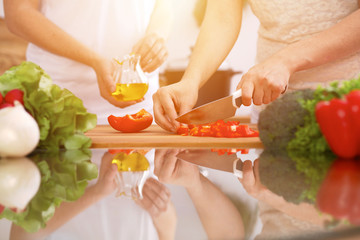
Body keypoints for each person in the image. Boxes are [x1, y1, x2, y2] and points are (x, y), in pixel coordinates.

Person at [152, 0, 360, 131]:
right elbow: (223, 17)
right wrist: (190, 81)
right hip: (271, 115)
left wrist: (286, 60)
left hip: (348, 110)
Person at [4, 0, 173, 124]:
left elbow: (165, 4)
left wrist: (157, 35)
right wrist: (93, 60)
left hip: (142, 110)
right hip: (58, 106)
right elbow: (18, 13)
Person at [9, 149, 177, 240]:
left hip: (69, 141)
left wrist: (97, 192)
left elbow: (22, 232)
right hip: (139, 132)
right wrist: (161, 206)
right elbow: (169, 230)